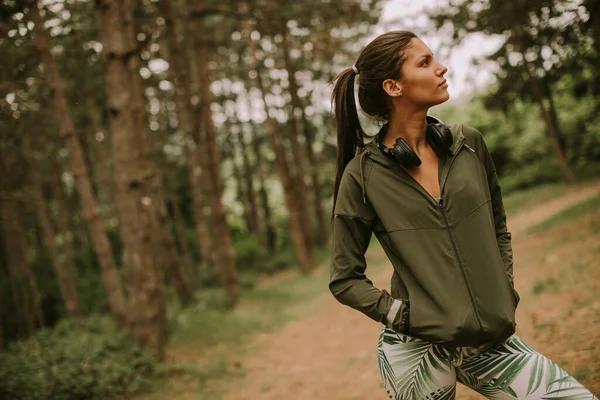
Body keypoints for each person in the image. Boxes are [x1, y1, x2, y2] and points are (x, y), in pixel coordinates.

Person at [329, 30, 597, 400]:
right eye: (424, 62)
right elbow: (344, 278)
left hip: (487, 341)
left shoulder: (468, 144)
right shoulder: (362, 176)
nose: (441, 68)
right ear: (393, 87)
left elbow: (499, 229)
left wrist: (501, 288)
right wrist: (401, 316)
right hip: (415, 349)